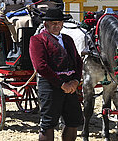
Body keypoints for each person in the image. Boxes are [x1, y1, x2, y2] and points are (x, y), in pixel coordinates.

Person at [29, 8, 83, 141]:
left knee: (72, 121)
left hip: (70, 84)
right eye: (53, 23)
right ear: (46, 24)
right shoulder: (37, 40)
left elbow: (78, 61)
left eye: (59, 23)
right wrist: (61, 84)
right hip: (50, 84)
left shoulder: (68, 39)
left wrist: (75, 81)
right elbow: (41, 66)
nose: (56, 25)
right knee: (48, 123)